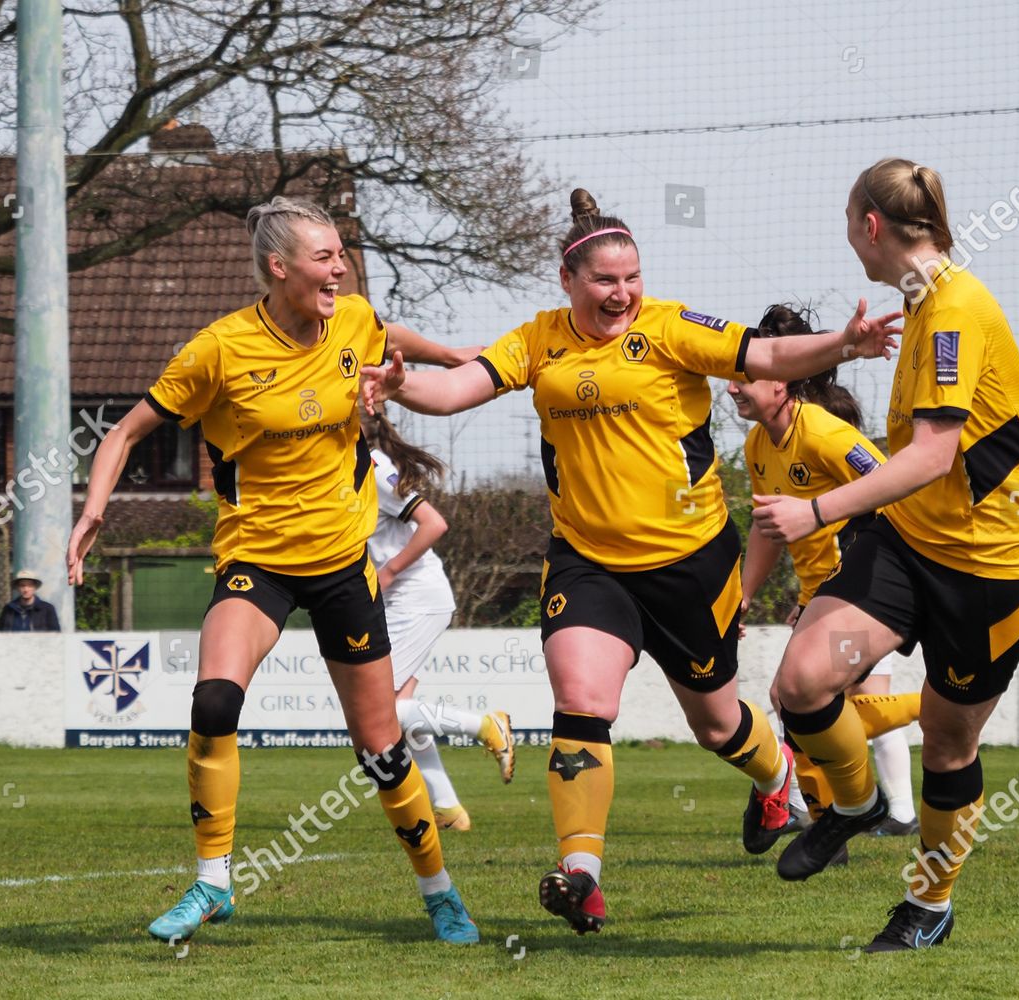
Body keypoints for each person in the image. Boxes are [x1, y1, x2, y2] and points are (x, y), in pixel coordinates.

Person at [360, 187, 899, 935]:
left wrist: (845, 343)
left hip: (692, 563)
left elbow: (766, 353)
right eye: (605, 281)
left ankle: (777, 781)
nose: (622, 293)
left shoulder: (671, 327)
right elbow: (455, 387)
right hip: (587, 562)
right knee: (582, 705)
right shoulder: (537, 339)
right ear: (568, 281)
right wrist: (397, 389)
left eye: (631, 277)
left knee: (716, 726)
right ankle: (582, 876)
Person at [67, 196, 484, 945]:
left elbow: (390, 335)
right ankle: (212, 883)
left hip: (341, 565)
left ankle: (439, 889)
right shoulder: (220, 349)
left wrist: (455, 360)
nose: (339, 268)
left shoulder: (352, 319)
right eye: (324, 257)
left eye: (340, 255)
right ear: (278, 267)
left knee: (382, 752)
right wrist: (94, 508)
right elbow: (126, 432)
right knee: (214, 702)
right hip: (256, 559)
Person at [752, 158, 1019, 952]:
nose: (848, 240)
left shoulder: (952, 308)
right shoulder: (921, 304)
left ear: (871, 226)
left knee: (952, 744)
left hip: (992, 566)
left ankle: (929, 905)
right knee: (803, 682)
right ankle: (853, 806)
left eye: (848, 224)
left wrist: (812, 511)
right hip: (912, 538)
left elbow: (929, 456)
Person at [729, 304, 920, 839]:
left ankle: (820, 811)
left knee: (800, 702)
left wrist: (869, 580)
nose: (733, 390)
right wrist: (742, 597)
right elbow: (768, 528)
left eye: (746, 379)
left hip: (862, 594)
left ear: (784, 383)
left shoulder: (824, 434)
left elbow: (894, 486)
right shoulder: (756, 445)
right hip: (823, 595)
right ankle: (851, 811)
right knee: (810, 703)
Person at [363, 408, 516, 830]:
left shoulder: (373, 467)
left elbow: (434, 523)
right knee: (399, 713)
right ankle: (449, 809)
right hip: (406, 600)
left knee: (382, 713)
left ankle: (486, 726)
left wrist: (389, 571)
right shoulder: (353, 466)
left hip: (415, 597)